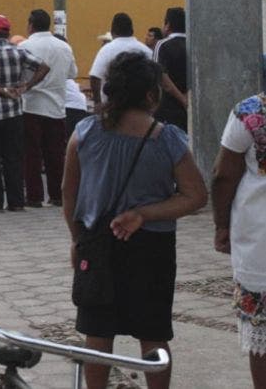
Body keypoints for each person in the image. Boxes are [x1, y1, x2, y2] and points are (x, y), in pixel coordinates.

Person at [63, 52, 205, 389]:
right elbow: (196, 195)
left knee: (97, 332)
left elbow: (69, 192)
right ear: (151, 95)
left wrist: (77, 239)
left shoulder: (85, 132)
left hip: (97, 242)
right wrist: (144, 214)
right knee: (153, 334)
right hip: (151, 248)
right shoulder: (167, 138)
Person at [212, 92, 266, 387]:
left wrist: (222, 226)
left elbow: (224, 174)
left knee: (262, 330)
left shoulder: (251, 111)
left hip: (260, 240)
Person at [0, 14, 48, 212]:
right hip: (14, 113)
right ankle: (16, 202)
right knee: (14, 158)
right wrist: (27, 85)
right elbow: (44, 67)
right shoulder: (18, 51)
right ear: (7, 33)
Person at [19, 9, 77, 208]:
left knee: (31, 154)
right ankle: (57, 195)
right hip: (57, 106)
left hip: (31, 105)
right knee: (56, 154)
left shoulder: (25, 46)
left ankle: (34, 196)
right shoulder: (64, 47)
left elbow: (20, 74)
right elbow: (72, 73)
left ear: (30, 25)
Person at [89, 12, 150, 107]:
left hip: (113, 105)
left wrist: (98, 103)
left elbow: (95, 77)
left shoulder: (107, 49)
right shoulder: (146, 50)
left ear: (112, 31)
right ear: (132, 30)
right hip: (141, 105)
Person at [153, 7, 188, 133]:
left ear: (167, 25)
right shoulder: (194, 45)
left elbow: (160, 75)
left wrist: (182, 99)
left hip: (169, 109)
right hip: (193, 108)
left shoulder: (163, 45)